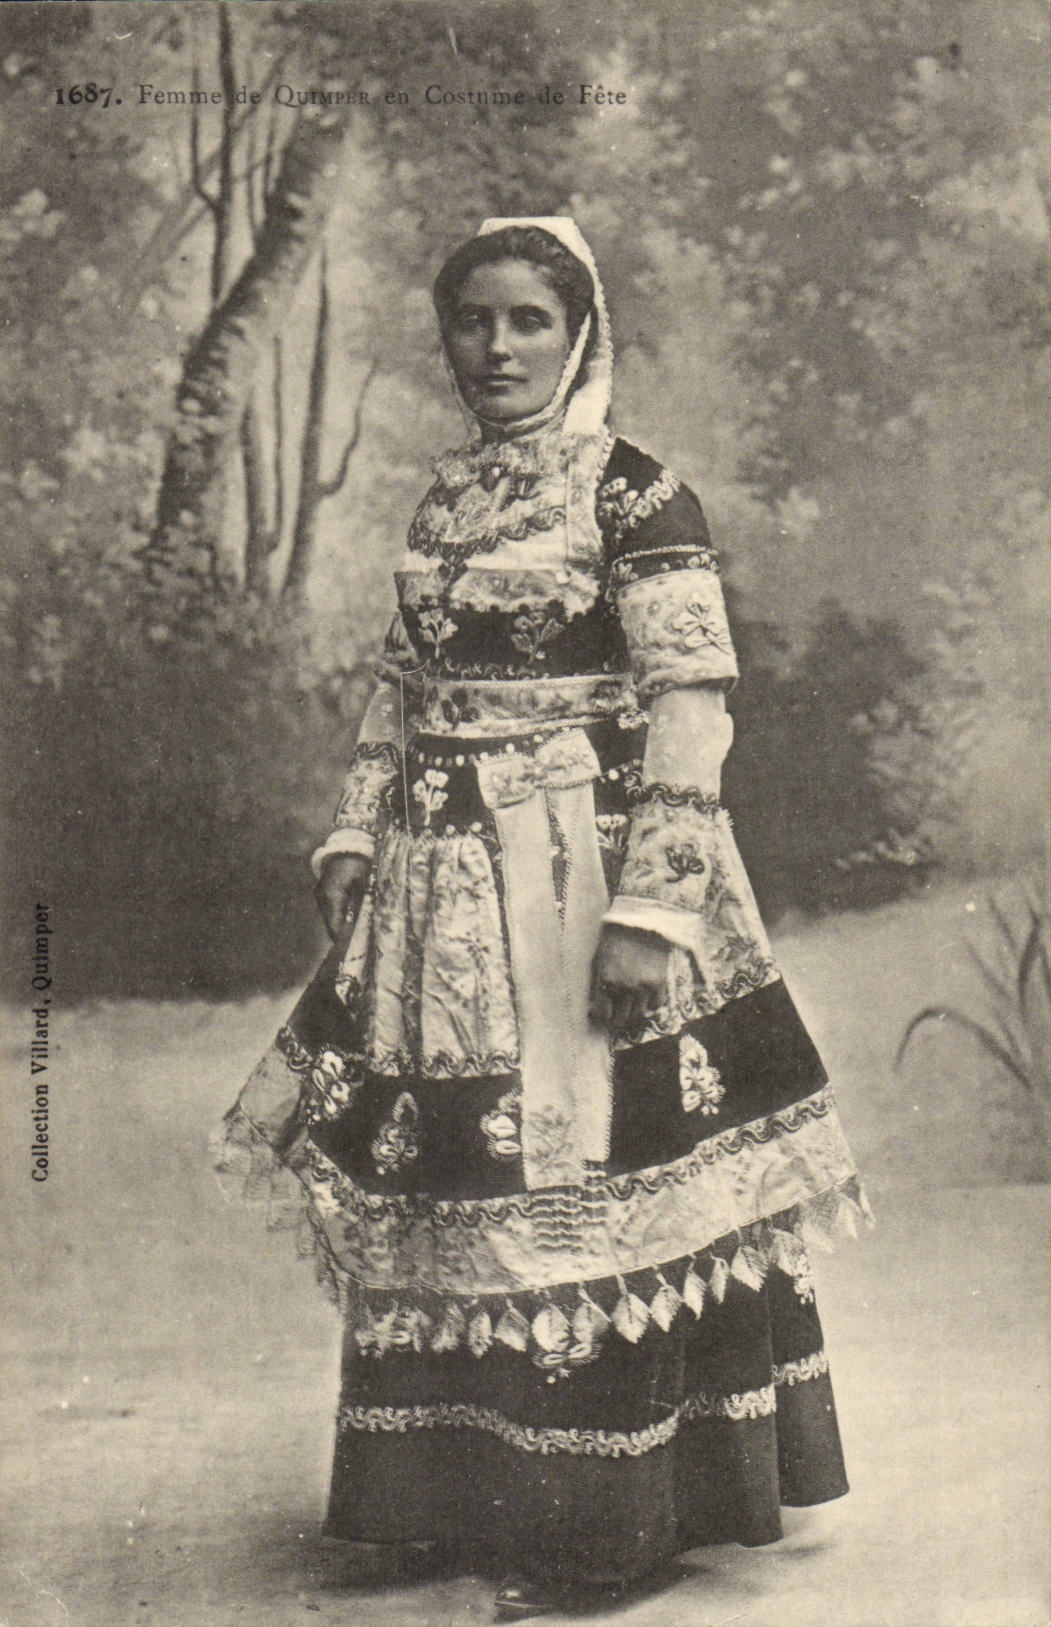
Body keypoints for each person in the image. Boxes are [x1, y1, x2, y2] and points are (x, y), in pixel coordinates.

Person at [216, 217, 869, 1621]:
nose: (498, 347)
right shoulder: (446, 500)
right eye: (473, 320)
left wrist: (654, 912)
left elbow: (692, 709)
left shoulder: (637, 495)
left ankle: (607, 1527)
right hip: (439, 887)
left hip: (580, 876)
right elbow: (401, 688)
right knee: (450, 1177)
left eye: (528, 321)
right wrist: (355, 830)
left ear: (580, 335)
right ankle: (446, 1505)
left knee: (591, 1173)